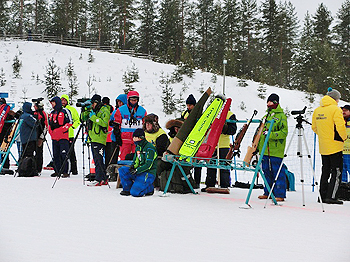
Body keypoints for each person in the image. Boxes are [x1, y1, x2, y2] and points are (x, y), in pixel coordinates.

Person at [312, 88, 346, 205]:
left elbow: (314, 127)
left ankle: (322, 195)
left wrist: (324, 135)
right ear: (335, 99)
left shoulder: (317, 110)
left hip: (323, 145)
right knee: (336, 171)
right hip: (335, 145)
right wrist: (344, 137)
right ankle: (332, 196)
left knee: (325, 170)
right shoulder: (335, 110)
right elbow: (340, 126)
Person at [257, 93, 288, 202]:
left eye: (270, 101)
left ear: (275, 102)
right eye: (268, 101)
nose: (268, 104)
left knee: (277, 172)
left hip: (276, 150)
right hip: (264, 149)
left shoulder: (281, 116)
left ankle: (280, 194)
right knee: (266, 171)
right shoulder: (265, 116)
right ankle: (267, 192)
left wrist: (270, 134)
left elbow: (284, 132)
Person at [202, 108, 237, 191]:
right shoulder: (213, 114)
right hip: (212, 144)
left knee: (224, 166)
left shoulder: (230, 115)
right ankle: (210, 184)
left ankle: (224, 185)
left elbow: (232, 130)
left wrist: (223, 128)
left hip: (224, 145)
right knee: (211, 166)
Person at [119, 129, 157, 197]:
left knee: (135, 193)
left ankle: (149, 189)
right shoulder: (138, 147)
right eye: (133, 138)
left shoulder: (150, 148)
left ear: (141, 138)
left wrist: (137, 170)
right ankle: (127, 189)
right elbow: (135, 160)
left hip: (148, 173)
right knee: (123, 170)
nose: (134, 140)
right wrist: (133, 167)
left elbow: (148, 165)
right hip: (138, 171)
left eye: (136, 138)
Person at [82, 94, 110, 186]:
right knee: (97, 159)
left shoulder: (104, 110)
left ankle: (99, 178)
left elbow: (104, 123)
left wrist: (93, 117)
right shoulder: (93, 110)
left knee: (98, 159)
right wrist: (85, 109)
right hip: (93, 137)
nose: (92, 105)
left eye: (93, 103)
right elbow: (82, 119)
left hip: (99, 138)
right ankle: (103, 178)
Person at [112, 91, 147, 160]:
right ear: (128, 100)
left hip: (138, 138)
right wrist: (117, 136)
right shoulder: (121, 110)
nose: (133, 102)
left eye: (135, 100)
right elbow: (116, 124)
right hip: (125, 138)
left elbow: (145, 125)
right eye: (132, 100)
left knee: (138, 157)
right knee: (124, 157)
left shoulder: (142, 111)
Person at [48, 96, 72, 178]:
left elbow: (70, 122)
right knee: (56, 155)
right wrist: (51, 132)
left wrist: (60, 130)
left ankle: (66, 171)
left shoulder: (65, 111)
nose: (52, 104)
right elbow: (49, 124)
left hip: (63, 137)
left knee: (64, 154)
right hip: (54, 138)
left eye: (53, 103)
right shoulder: (52, 113)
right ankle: (57, 170)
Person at [143, 113, 170, 187]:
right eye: (146, 123)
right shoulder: (144, 133)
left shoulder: (161, 134)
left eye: (150, 123)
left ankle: (156, 183)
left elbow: (161, 149)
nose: (147, 125)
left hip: (156, 157)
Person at [61, 95, 80, 175]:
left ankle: (74, 169)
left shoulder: (72, 110)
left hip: (70, 134)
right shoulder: (59, 109)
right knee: (62, 152)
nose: (63, 102)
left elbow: (77, 120)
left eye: (64, 100)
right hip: (62, 134)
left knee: (71, 152)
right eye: (62, 100)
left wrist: (72, 126)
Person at [108, 94, 127, 168]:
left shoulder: (127, 112)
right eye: (118, 102)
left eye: (121, 102)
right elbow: (111, 122)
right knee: (113, 155)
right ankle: (112, 171)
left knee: (124, 155)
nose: (119, 103)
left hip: (125, 136)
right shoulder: (115, 111)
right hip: (115, 136)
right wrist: (113, 124)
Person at [33, 100, 48, 174]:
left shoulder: (43, 114)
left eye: (35, 106)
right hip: (34, 136)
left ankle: (38, 168)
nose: (33, 107)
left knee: (39, 153)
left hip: (40, 136)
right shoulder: (35, 113)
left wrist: (42, 137)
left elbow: (46, 126)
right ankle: (33, 167)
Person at [341, 104, 350, 182]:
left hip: (349, 152)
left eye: (345, 111)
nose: (343, 112)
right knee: (342, 172)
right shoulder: (340, 122)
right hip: (341, 151)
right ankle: (343, 191)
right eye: (343, 111)